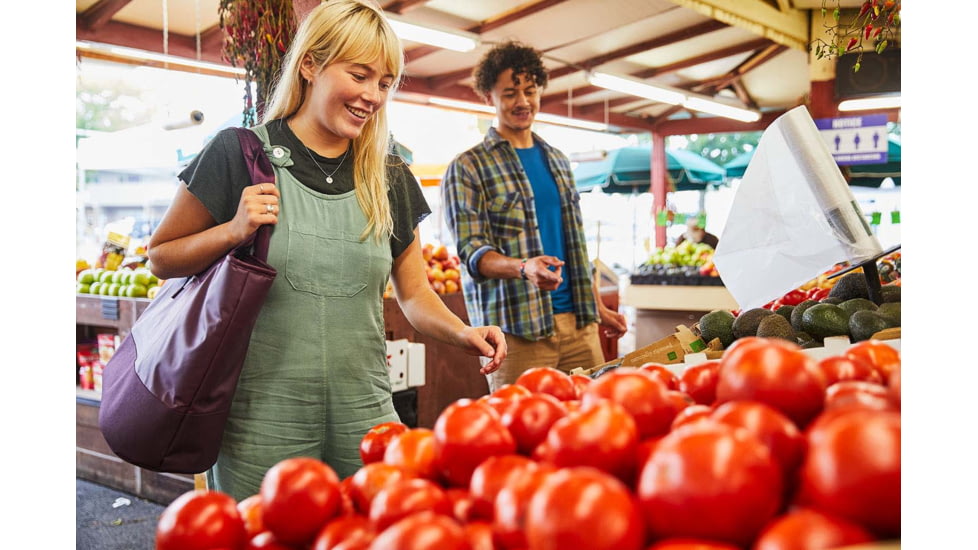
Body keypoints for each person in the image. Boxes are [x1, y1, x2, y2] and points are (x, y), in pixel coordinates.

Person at [147, 0, 506, 500]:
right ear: (310, 64)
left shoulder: (390, 175)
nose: (371, 96)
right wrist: (231, 230)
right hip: (259, 422)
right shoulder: (240, 154)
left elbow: (416, 295)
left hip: (367, 416)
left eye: (384, 83)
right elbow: (161, 256)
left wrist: (464, 333)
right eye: (359, 75)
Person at [441, 41, 627, 392]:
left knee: (591, 425)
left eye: (530, 90)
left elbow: (574, 245)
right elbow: (473, 252)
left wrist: (597, 306)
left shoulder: (557, 160)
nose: (522, 102)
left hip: (579, 326)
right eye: (510, 93)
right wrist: (523, 267)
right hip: (516, 331)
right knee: (522, 433)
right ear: (489, 97)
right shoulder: (467, 167)